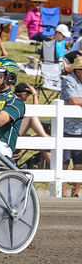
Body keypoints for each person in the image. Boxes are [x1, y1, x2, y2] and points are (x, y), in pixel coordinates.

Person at [60, 55, 82, 197]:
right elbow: (73, 100)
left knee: (80, 163)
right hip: (67, 127)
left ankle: (75, 193)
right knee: (64, 163)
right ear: (78, 70)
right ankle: (61, 193)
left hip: (80, 128)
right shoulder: (69, 80)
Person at [14, 82, 51, 164]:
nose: (27, 96)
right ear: (21, 94)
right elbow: (35, 111)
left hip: (15, 133)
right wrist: (35, 94)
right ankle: (45, 137)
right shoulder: (15, 101)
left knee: (43, 141)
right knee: (31, 116)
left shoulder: (17, 102)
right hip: (12, 134)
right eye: (27, 94)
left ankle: (56, 167)